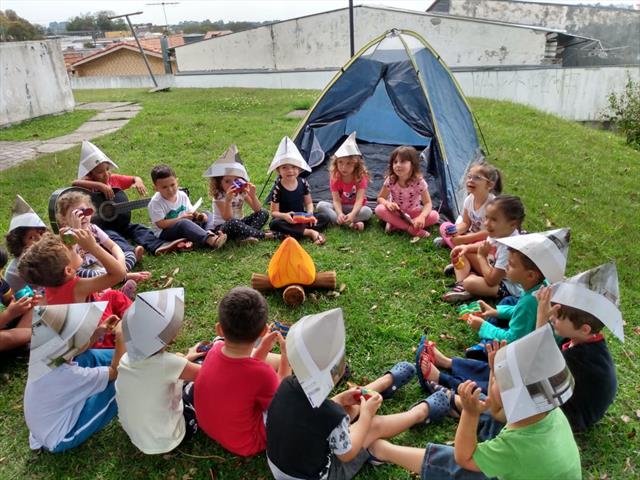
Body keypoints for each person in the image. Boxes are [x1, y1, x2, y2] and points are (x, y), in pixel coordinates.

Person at [368, 328, 582, 480]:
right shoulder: (544, 408)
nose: (493, 376)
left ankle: (383, 451)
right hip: (528, 465)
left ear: (514, 397)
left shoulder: (515, 447)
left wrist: (471, 414)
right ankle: (452, 404)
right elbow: (498, 412)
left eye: (498, 378)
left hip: (514, 460)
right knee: (489, 412)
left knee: (460, 468)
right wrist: (495, 374)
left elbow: (464, 458)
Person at [266, 308, 443, 480]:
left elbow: (308, 415)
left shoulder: (285, 386)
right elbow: (347, 454)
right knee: (373, 426)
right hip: (320, 474)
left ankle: (384, 384)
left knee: (348, 407)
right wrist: (366, 415)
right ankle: (420, 413)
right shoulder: (330, 415)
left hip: (283, 466)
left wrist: (339, 401)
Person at [419, 229, 571, 391]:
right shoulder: (541, 286)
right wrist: (496, 311)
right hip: (531, 346)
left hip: (526, 361)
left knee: (496, 371)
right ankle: (475, 352)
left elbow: (512, 340)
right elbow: (521, 312)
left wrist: (484, 327)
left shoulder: (529, 301)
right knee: (506, 305)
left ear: (530, 275)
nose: (506, 265)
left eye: (511, 264)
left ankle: (445, 376)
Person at [195, 286, 291, 457]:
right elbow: (282, 403)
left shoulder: (214, 349)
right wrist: (286, 358)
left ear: (220, 330)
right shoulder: (263, 373)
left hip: (208, 426)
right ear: (263, 332)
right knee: (293, 401)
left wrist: (262, 349)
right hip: (247, 442)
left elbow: (243, 376)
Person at [24, 301, 125, 452]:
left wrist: (97, 333)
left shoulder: (45, 359)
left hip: (45, 424)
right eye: (84, 334)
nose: (87, 335)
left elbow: (78, 350)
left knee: (86, 357)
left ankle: (130, 357)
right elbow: (115, 372)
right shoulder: (67, 376)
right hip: (61, 436)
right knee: (121, 382)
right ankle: (135, 365)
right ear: (69, 346)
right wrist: (121, 338)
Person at [115, 288, 205, 454]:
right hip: (170, 439)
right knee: (198, 382)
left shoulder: (125, 359)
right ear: (166, 336)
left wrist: (185, 358)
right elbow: (206, 375)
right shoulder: (168, 364)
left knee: (180, 364)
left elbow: (161, 369)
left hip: (138, 437)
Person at [536, 262, 622, 432]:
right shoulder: (585, 340)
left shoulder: (582, 359)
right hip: (572, 402)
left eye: (558, 317)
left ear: (584, 329)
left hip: (571, 418)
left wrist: (541, 321)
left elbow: (536, 364)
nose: (552, 317)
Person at [72, 141, 189, 256]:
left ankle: (159, 246)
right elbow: (74, 183)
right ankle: (132, 252)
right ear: (90, 174)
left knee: (139, 229)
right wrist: (99, 185)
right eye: (99, 172)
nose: (106, 174)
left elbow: (134, 178)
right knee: (112, 237)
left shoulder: (114, 179)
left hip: (121, 222)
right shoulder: (86, 185)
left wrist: (138, 181)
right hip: (101, 227)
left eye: (108, 169)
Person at [18, 231, 130, 349]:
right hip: (99, 337)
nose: (74, 248)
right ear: (68, 270)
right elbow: (119, 274)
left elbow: (52, 261)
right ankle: (137, 320)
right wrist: (93, 247)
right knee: (115, 295)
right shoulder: (77, 288)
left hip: (79, 336)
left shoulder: (50, 282)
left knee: (111, 295)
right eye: (72, 250)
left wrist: (63, 239)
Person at [55, 190, 150, 286]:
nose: (82, 217)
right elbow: (71, 259)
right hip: (85, 269)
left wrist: (121, 263)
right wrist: (77, 229)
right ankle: (123, 276)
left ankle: (118, 274)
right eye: (76, 215)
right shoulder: (67, 234)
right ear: (64, 219)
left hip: (102, 264)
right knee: (83, 274)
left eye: (85, 211)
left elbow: (113, 246)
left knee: (129, 254)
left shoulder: (93, 228)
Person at [442, 195, 525, 303]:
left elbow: (492, 281)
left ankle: (468, 282)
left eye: (494, 220)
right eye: (487, 217)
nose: (486, 223)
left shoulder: (509, 249)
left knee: (470, 282)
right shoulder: (500, 232)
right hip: (493, 269)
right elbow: (485, 244)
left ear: (513, 224)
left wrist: (481, 257)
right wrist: (466, 247)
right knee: (464, 253)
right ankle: (461, 283)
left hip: (505, 285)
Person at [148, 164, 227, 251]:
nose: (170, 190)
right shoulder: (155, 202)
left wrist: (198, 216)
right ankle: (211, 240)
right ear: (155, 188)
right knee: (184, 223)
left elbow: (190, 211)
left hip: (186, 223)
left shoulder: (182, 195)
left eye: (172, 185)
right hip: (165, 232)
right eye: (164, 187)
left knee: (207, 213)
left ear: (177, 182)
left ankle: (209, 232)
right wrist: (180, 219)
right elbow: (161, 224)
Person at [204, 144, 272, 243]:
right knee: (233, 222)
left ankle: (245, 236)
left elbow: (257, 209)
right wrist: (228, 200)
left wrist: (253, 196)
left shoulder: (242, 191)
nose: (233, 184)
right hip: (224, 228)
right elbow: (228, 218)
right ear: (219, 183)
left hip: (240, 223)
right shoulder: (219, 196)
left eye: (236, 180)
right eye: (227, 181)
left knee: (264, 213)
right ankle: (263, 235)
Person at [375, 146, 439, 241]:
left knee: (435, 216)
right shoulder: (391, 180)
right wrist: (387, 204)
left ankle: (396, 225)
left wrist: (422, 217)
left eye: (403, 161)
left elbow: (428, 203)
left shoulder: (419, 182)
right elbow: (380, 198)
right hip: (397, 212)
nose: (398, 165)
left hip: (414, 213)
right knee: (379, 209)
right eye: (395, 162)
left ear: (412, 164)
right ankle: (410, 229)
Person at [434, 161, 502, 249]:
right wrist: (456, 231)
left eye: (477, 178)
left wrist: (465, 239)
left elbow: (490, 232)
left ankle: (459, 247)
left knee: (487, 246)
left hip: (485, 239)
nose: (471, 180)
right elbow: (466, 223)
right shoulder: (469, 199)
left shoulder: (493, 205)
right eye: (469, 176)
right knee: (444, 227)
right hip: (470, 235)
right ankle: (461, 247)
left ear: (490, 185)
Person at [316, 132, 373, 231]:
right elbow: (336, 200)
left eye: (348, 164)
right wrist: (339, 213)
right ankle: (350, 223)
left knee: (367, 211)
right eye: (340, 162)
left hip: (356, 207)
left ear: (355, 164)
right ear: (336, 162)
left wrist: (353, 214)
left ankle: (345, 221)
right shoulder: (335, 177)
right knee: (321, 205)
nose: (343, 167)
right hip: (340, 206)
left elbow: (359, 200)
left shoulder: (360, 177)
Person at [3, 195, 48, 294]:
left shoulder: (49, 255)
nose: (40, 239)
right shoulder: (14, 272)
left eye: (41, 233)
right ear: (19, 242)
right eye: (31, 237)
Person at [0, 247, 35, 352]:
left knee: (37, 304)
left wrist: (22, 303)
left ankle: (21, 339)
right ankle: (33, 335)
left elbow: (9, 301)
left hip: (8, 325)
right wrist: (10, 313)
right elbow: (9, 312)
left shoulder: (1, 284)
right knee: (5, 339)